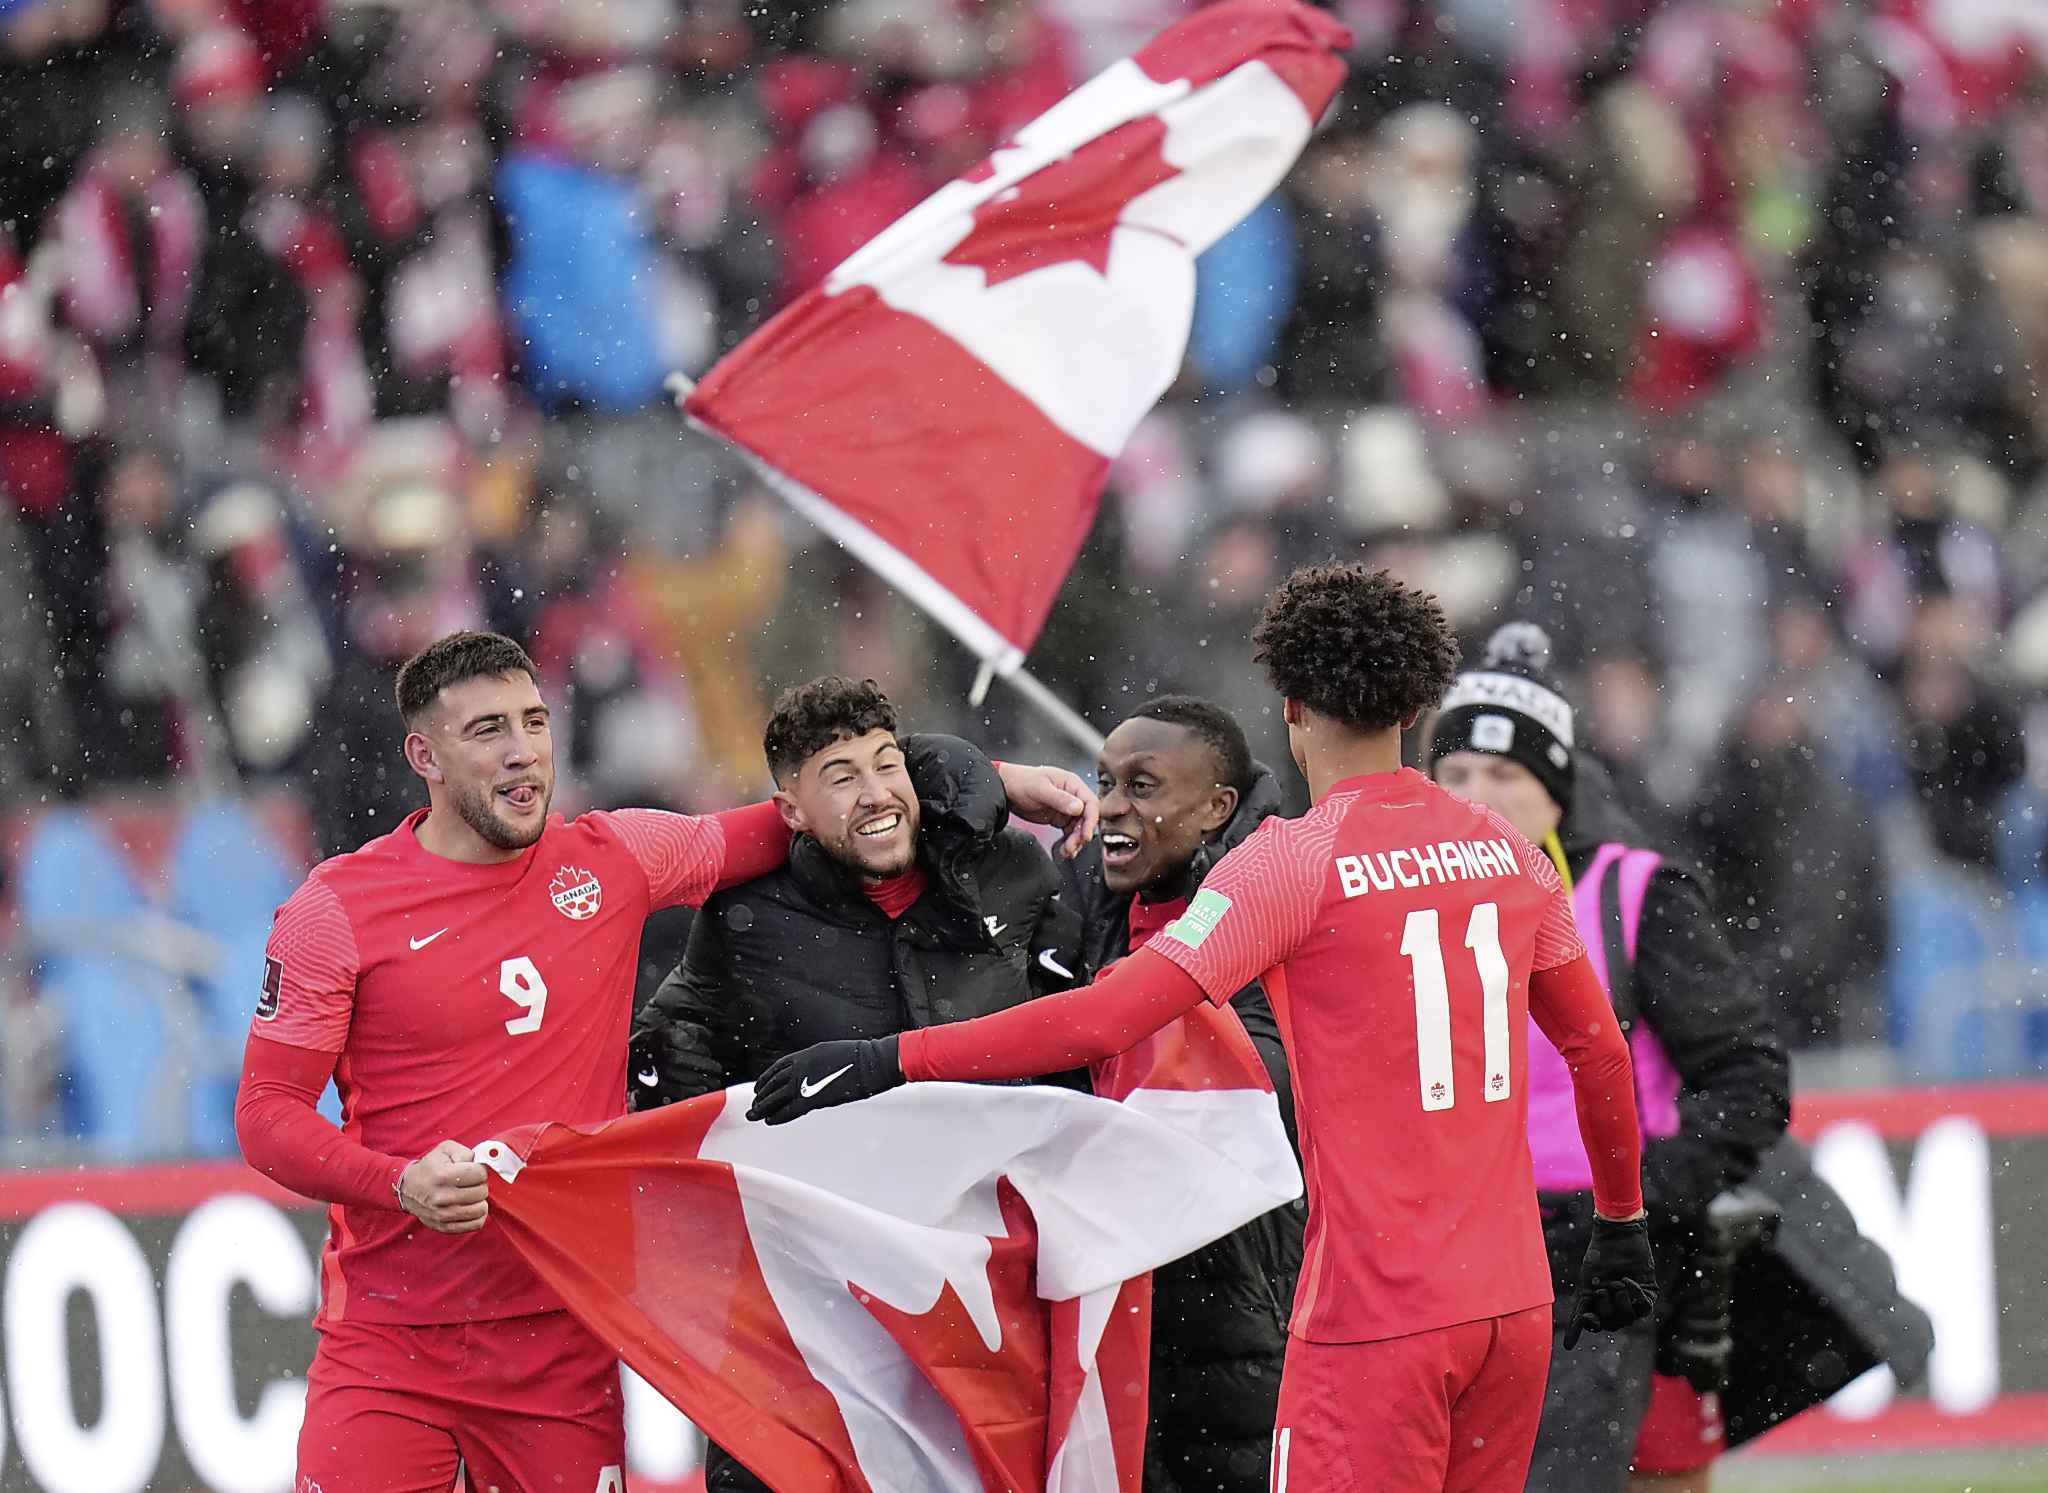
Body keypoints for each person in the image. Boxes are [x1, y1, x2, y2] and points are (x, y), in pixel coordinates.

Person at [750, 564, 1658, 1493]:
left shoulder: (1290, 864)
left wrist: (891, 1057)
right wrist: (1622, 1219)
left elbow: (1107, 1017)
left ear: (1291, 706)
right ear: (1419, 707)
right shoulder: (1507, 850)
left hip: (1375, 1321)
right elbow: (1598, 1051)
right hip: (1512, 1309)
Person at [232, 630, 1098, 1491]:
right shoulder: (335, 911)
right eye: (488, 730)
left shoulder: (614, 859)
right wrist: (398, 1183)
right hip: (389, 1343)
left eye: (535, 721)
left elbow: (822, 804)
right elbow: (266, 1115)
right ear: (424, 755)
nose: (523, 750)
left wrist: (990, 778)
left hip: (561, 1337)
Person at [627, 675, 1088, 1493]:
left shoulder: (1011, 872)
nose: (875, 795)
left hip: (989, 1304)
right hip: (817, 1320)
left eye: (886, 764)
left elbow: (1085, 1039)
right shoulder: (745, 918)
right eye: (840, 778)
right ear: (791, 811)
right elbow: (669, 1066)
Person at [1428, 622, 1790, 1493]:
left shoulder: (1636, 895)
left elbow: (1749, 1079)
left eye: (1505, 775)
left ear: (1556, 791)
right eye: (1457, 774)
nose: (1478, 798)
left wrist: (1634, 1200)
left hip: (1610, 1269)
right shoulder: (1403, 904)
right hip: (1457, 1261)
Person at [1081, 694, 1304, 1493]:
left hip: (1242, 1310)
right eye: (1104, 782)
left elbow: (1265, 1088)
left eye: (1140, 786)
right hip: (1109, 1311)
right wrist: (999, 778)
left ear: (1215, 806)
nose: (1111, 806)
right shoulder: (1080, 899)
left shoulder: (1277, 907)